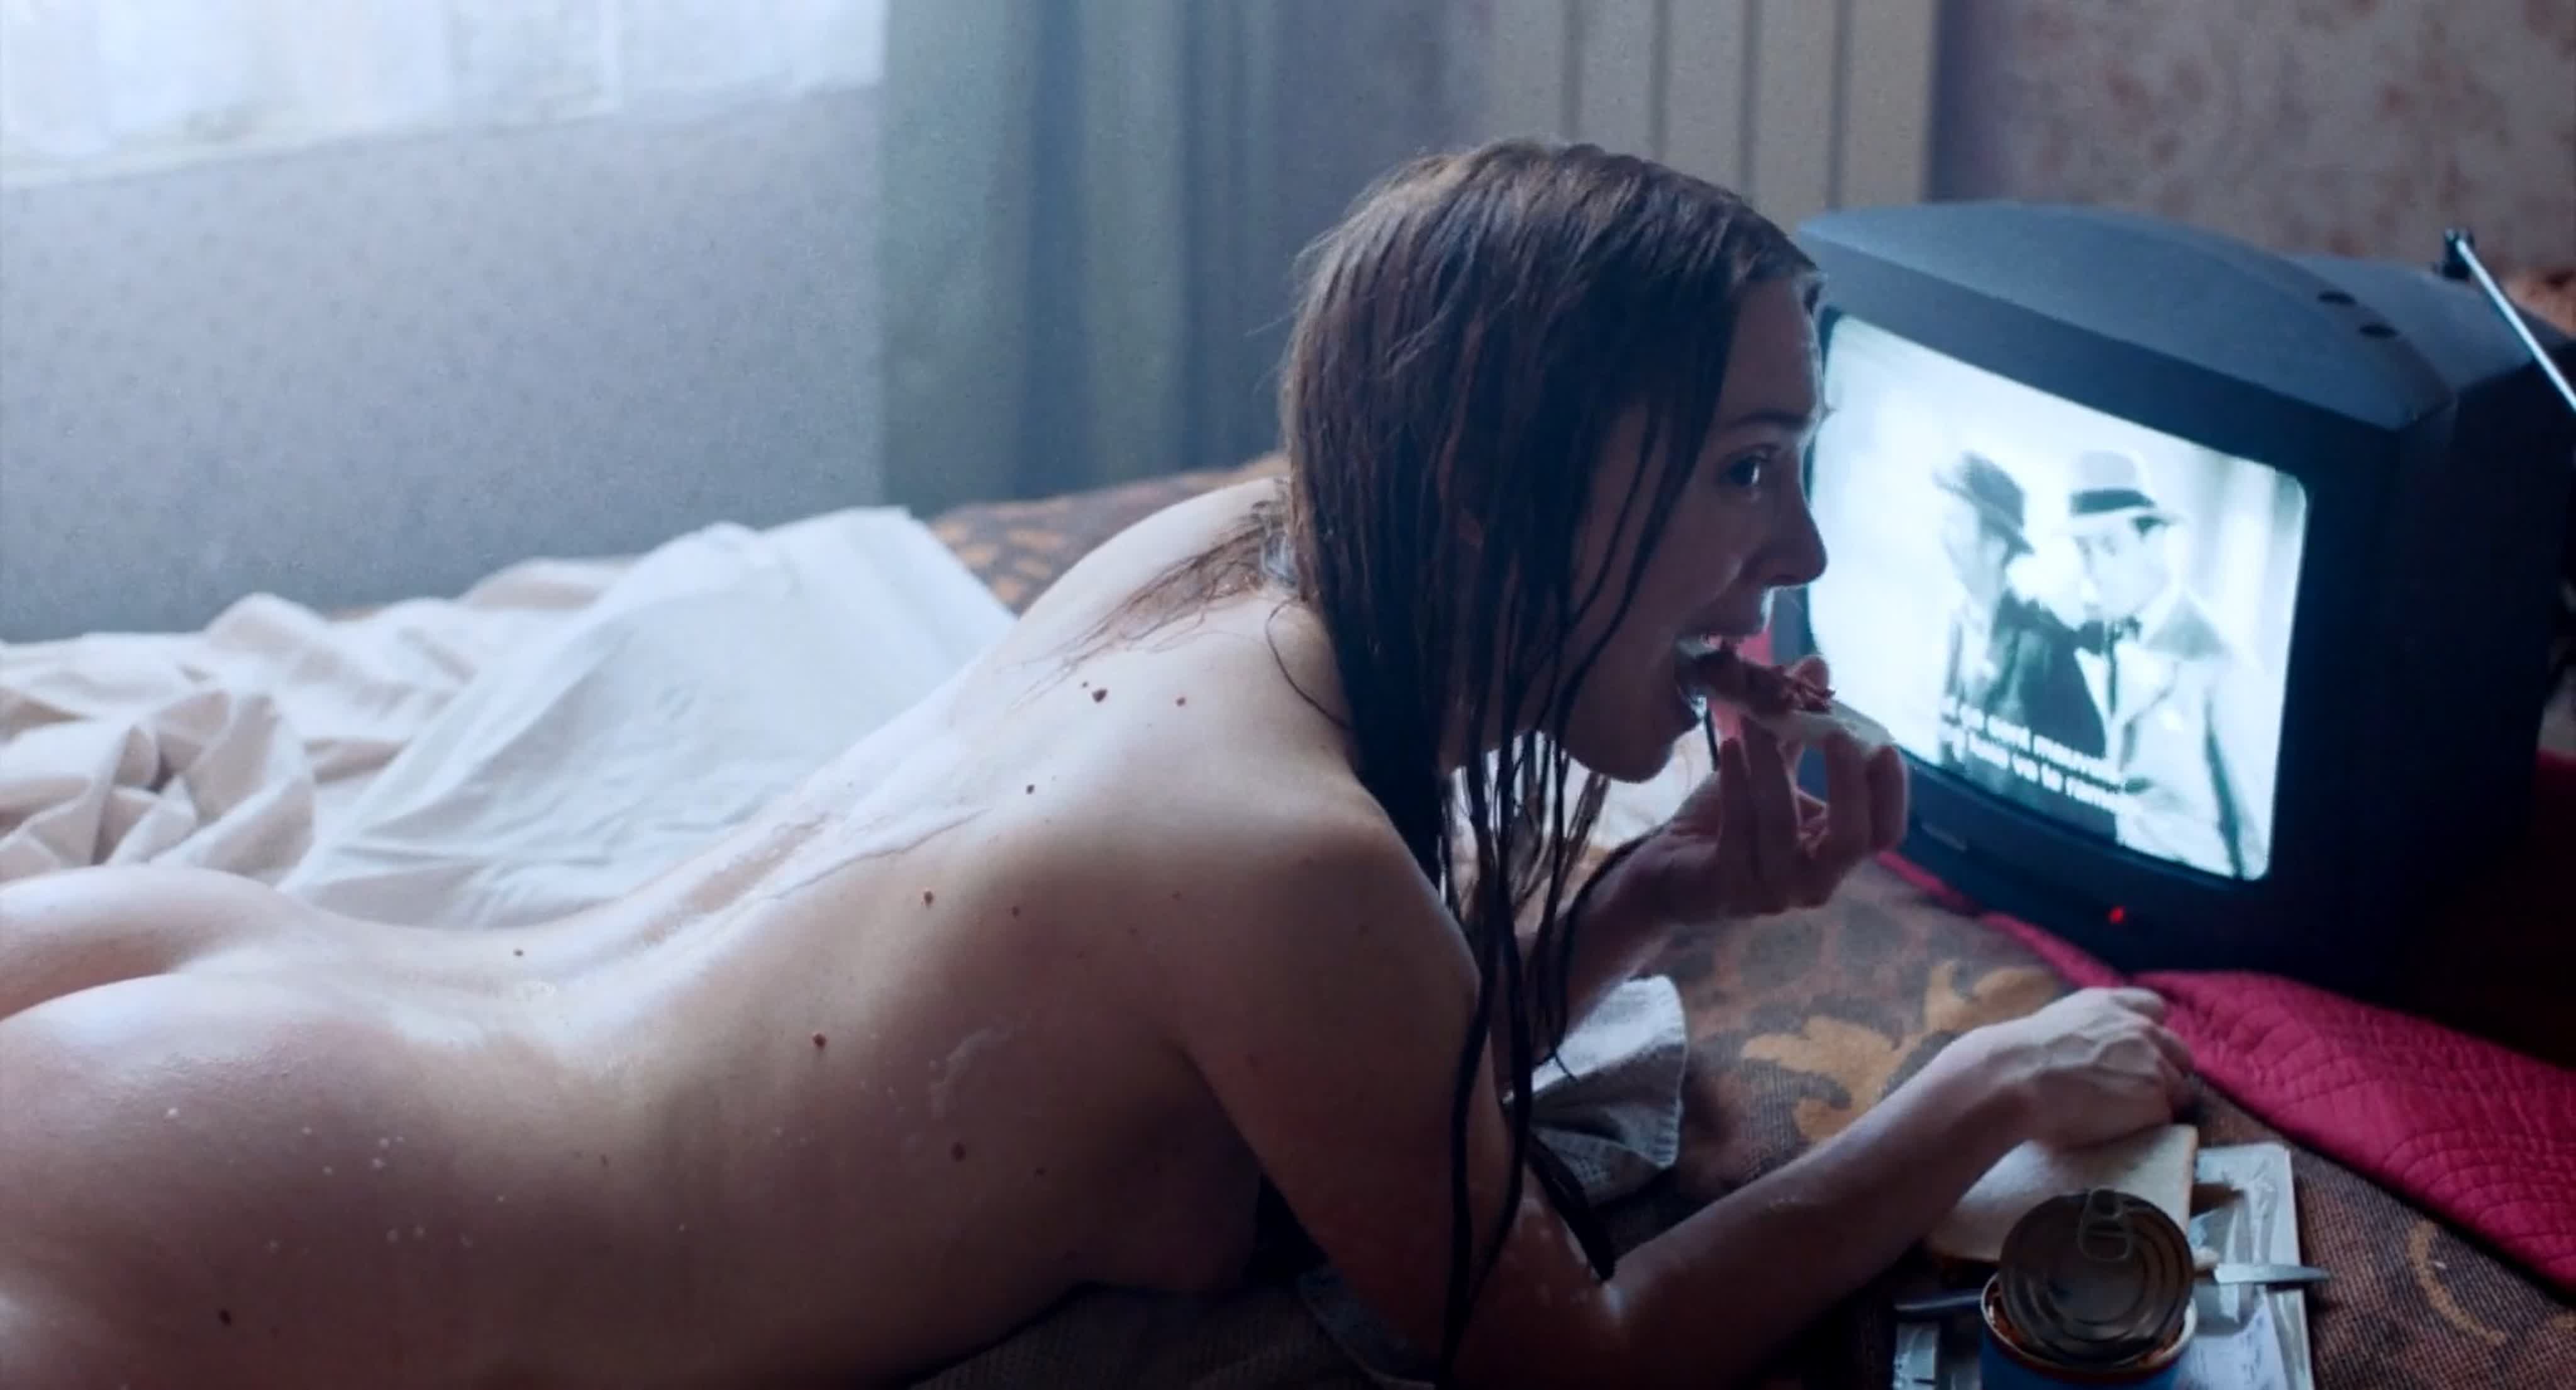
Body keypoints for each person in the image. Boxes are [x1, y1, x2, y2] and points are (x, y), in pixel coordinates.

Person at [0, 142, 2193, 1389]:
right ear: (1497, 487)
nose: (1798, 557)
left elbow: (1337, 1076)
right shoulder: (1285, 864)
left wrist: (1650, 894)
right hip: (270, 1209)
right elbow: (1575, 1367)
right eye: (1741, 467)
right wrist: (1970, 1096)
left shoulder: (1225, 554)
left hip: (251, 999)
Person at [2063, 450, 2275, 879]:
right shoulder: (2093, 634)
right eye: (2084, 551)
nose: (2094, 572)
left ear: (2155, 542)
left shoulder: (2224, 666)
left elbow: (2257, 849)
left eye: (2110, 548)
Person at [1931, 452, 2116, 837]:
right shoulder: (1958, 623)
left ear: (1996, 545)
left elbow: (2090, 796)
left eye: (1955, 522)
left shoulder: (2043, 649)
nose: (1941, 535)